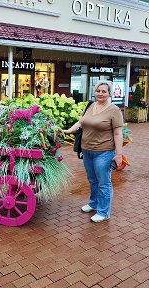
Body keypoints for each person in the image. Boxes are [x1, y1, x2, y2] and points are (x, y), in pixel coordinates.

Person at [63, 80, 123, 222]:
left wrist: (119, 154)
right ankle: (94, 203)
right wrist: (68, 130)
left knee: (104, 182)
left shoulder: (114, 110)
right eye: (98, 91)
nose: (100, 93)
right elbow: (81, 122)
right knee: (92, 180)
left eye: (104, 91)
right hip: (87, 150)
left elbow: (118, 133)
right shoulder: (90, 105)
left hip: (104, 152)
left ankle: (103, 212)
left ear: (109, 94)